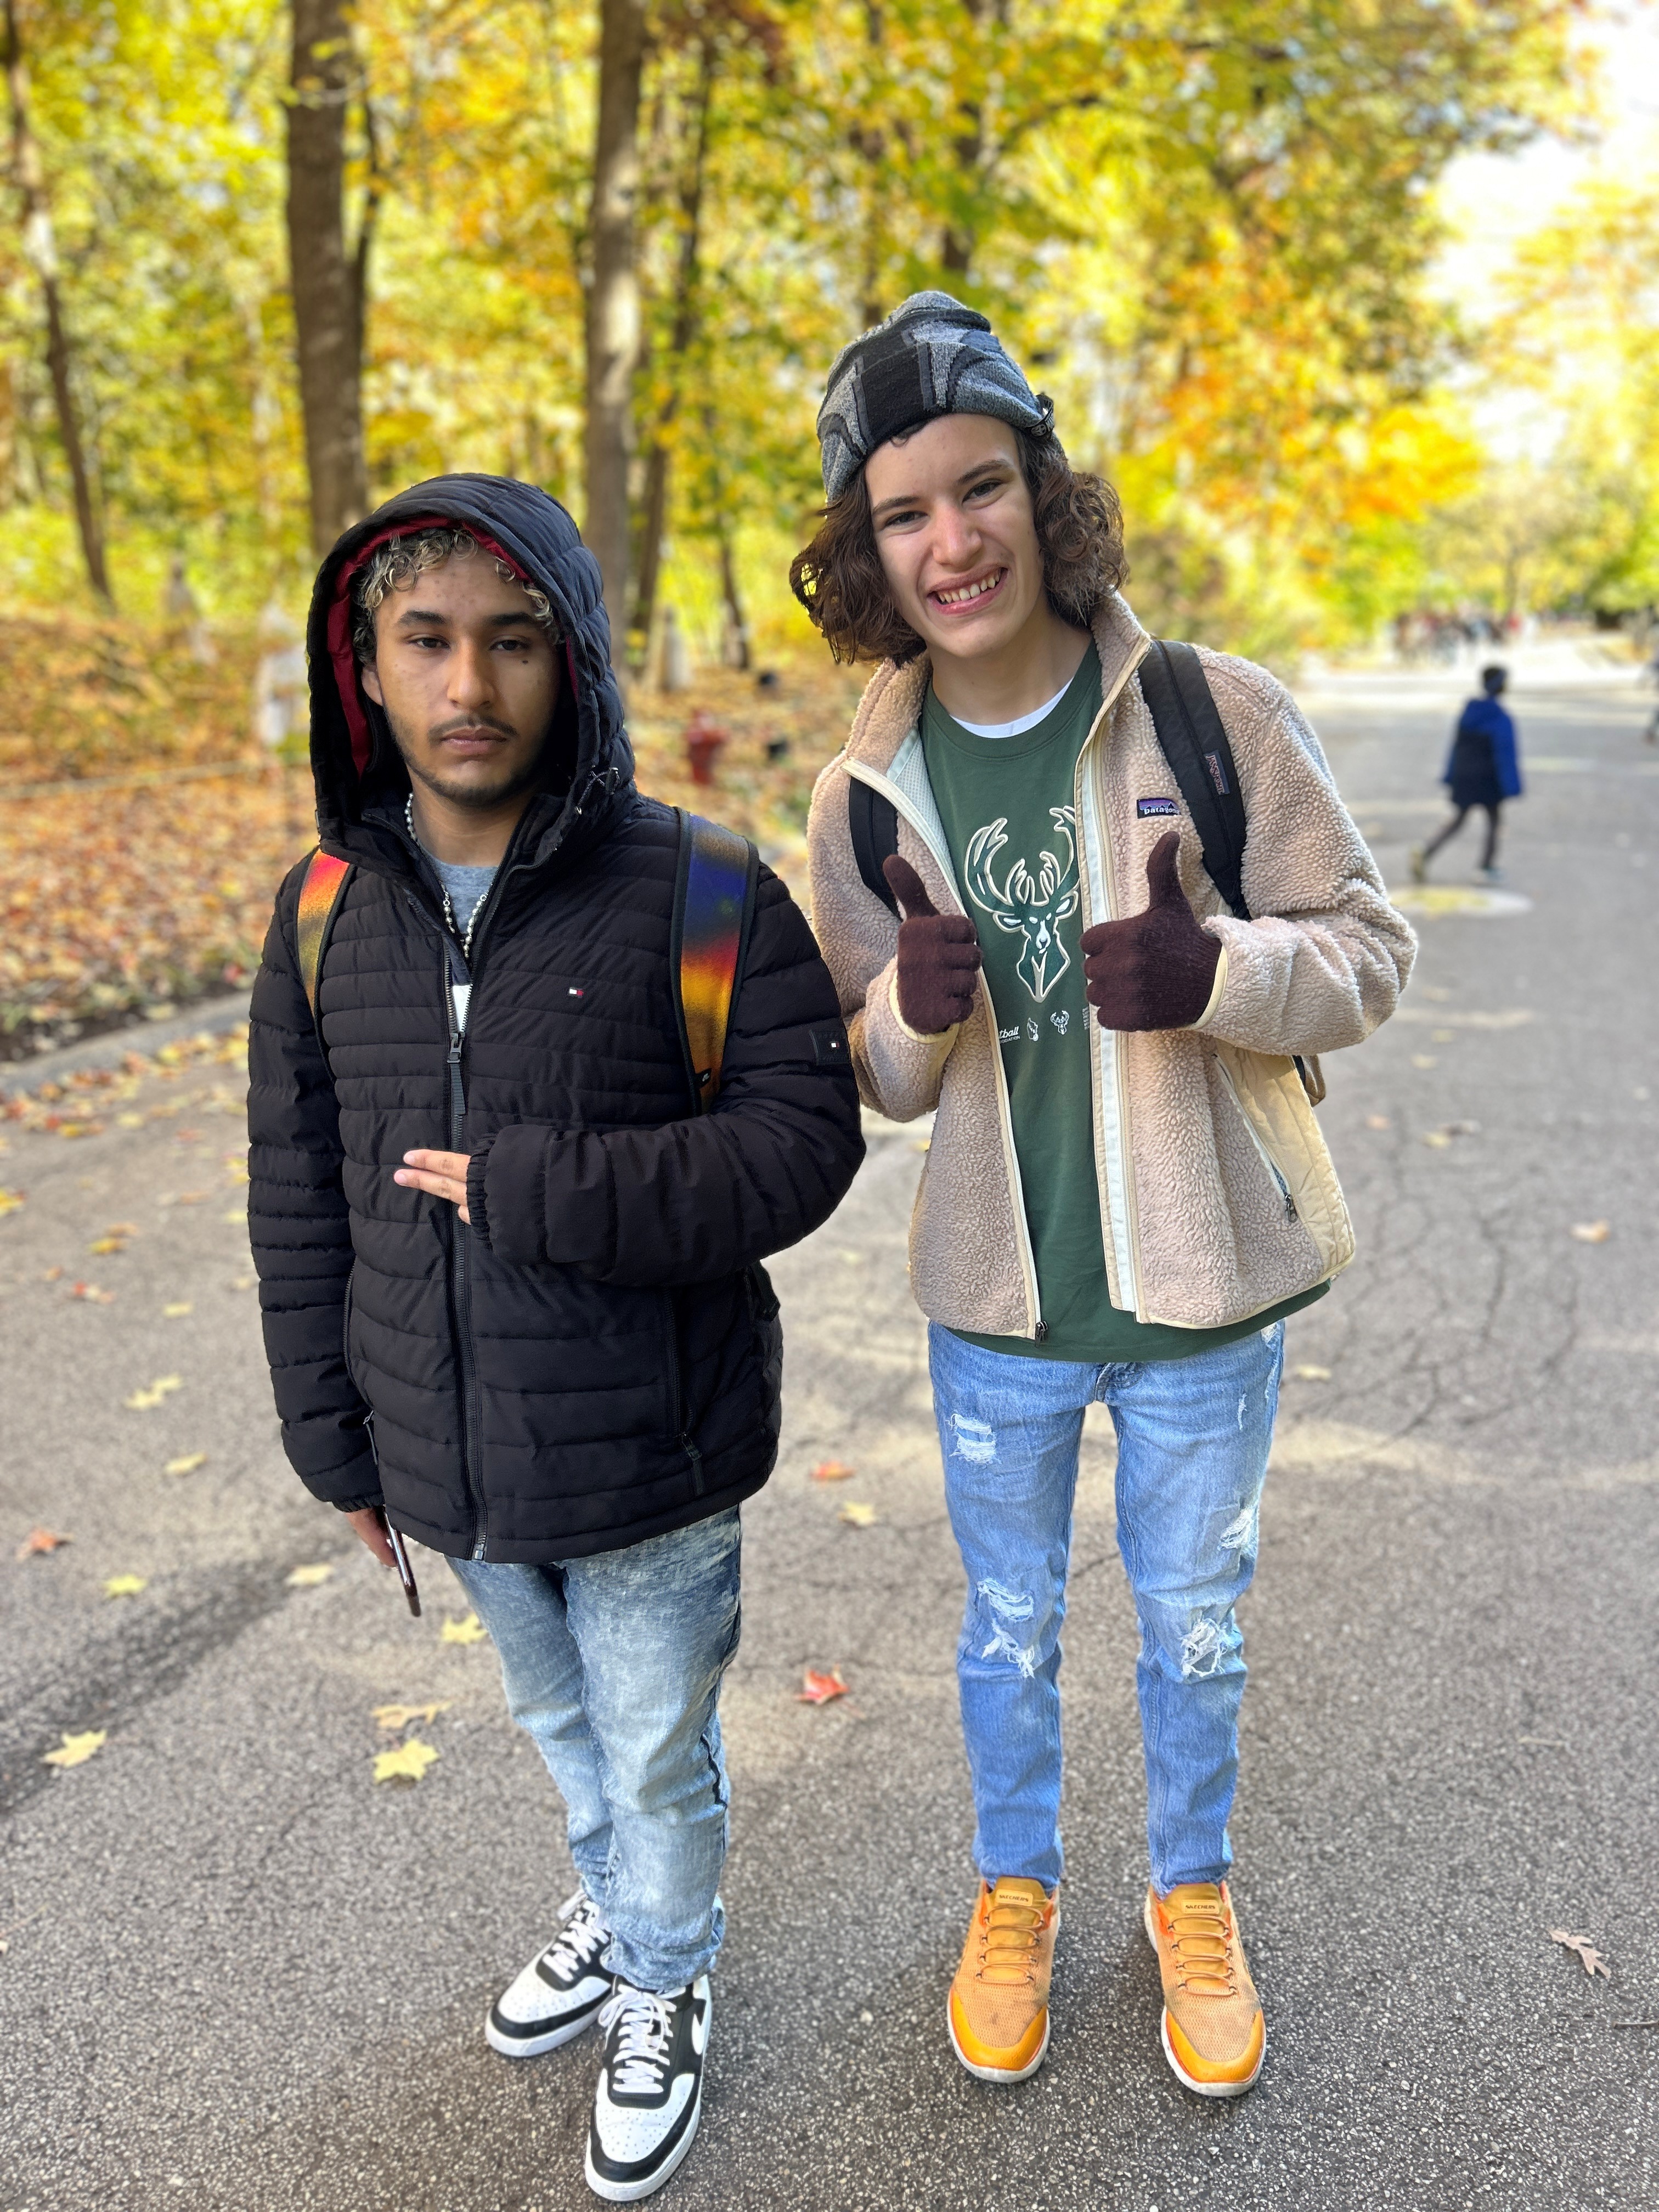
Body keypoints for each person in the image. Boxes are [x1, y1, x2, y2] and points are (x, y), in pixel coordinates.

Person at [797, 293, 1414, 2098]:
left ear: (1043, 493)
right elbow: (868, 1065)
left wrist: (1219, 971)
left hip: (1206, 1299)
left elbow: (1369, 952)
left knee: (1194, 1623)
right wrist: (907, 1014)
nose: (950, 541)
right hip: (999, 1306)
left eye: (979, 488)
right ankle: (1016, 1890)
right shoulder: (864, 790)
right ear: (867, 552)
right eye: (903, 514)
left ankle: (1189, 1892)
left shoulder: (1213, 714)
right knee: (1005, 1631)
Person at [248, 475, 863, 2202]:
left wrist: (542, 1189)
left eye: (513, 641)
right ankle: (623, 1905)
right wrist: (334, 1444)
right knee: (564, 1731)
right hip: (449, 1457)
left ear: (573, 657)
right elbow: (296, 1195)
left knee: (654, 1747)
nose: (470, 685)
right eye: (427, 641)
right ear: (366, 666)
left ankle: (666, 1976)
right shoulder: (321, 907)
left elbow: (801, 1143)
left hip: (654, 1450)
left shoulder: (707, 886)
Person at [1410, 664, 1522, 883]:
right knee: (1494, 821)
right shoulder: (1500, 716)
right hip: (1489, 780)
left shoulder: (1469, 712)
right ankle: (1486, 867)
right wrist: (1511, 786)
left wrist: (1451, 776)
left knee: (1459, 819)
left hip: (1466, 777)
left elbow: (1457, 748)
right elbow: (1505, 755)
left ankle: (1426, 851)